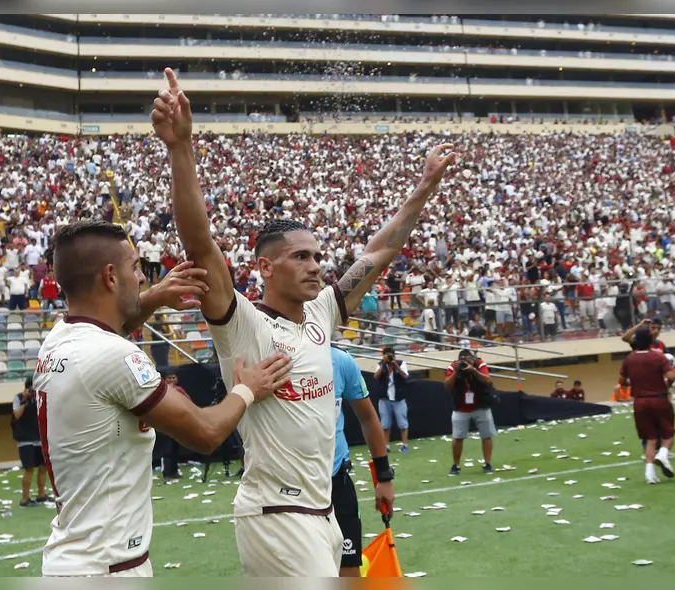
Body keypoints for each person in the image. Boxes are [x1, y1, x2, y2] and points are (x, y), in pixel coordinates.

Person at [153, 67, 452, 577]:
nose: (316, 264)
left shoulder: (322, 314)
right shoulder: (242, 322)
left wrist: (423, 187)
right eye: (301, 257)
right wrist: (180, 149)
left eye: (318, 254)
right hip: (276, 515)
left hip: (323, 512)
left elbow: (381, 250)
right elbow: (200, 243)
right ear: (266, 267)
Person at [35, 220, 292, 578]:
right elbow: (205, 432)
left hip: (74, 560)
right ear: (110, 277)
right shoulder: (113, 356)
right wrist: (248, 388)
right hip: (107, 569)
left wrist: (156, 296)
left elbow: (110, 325)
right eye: (135, 267)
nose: (141, 279)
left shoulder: (60, 338)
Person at [330, 347, 394, 578]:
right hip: (290, 491)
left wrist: (384, 477)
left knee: (347, 568)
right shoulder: (271, 358)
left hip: (337, 482)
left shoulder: (339, 360)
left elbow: (367, 416)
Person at [619, 326, 675, 485]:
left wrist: (634, 380)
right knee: (668, 433)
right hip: (659, 399)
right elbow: (670, 377)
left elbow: (621, 382)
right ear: (651, 340)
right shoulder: (659, 357)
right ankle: (663, 454)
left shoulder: (629, 358)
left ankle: (650, 473)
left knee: (650, 438)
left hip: (639, 402)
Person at [444, 349, 496, 475]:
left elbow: (488, 380)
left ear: (473, 359)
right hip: (461, 407)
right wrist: (456, 371)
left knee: (486, 435)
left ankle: (487, 463)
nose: (465, 363)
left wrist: (474, 371)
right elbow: (447, 385)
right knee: (457, 436)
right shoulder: (453, 366)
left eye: (468, 360)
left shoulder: (479, 364)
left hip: (481, 405)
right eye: (463, 360)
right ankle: (456, 465)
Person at [12, 377, 49, 507]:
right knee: (29, 468)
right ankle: (25, 499)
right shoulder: (19, 398)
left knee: (43, 467)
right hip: (25, 439)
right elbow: (16, 415)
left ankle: (41, 495)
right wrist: (25, 400)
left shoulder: (41, 397)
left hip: (40, 437)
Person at [373, 346, 411, 454]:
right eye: (386, 355)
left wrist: (395, 366)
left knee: (403, 423)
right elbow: (375, 376)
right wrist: (384, 364)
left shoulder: (401, 363)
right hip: (385, 399)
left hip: (399, 399)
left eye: (390, 355)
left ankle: (404, 445)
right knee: (385, 424)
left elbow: (405, 376)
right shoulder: (381, 364)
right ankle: (386, 446)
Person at [159, 372, 190, 482]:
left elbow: (188, 401)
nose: (171, 380)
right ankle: (166, 473)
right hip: (165, 424)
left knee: (175, 449)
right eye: (169, 378)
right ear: (164, 379)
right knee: (167, 450)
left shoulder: (179, 389)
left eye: (173, 377)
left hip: (177, 423)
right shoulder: (161, 390)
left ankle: (174, 471)